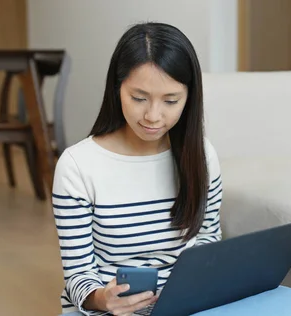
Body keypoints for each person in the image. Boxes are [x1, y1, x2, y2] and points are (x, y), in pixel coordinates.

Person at [51, 22, 223, 316]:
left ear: (189, 97)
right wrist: (104, 298)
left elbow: (208, 237)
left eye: (171, 101)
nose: (153, 116)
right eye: (139, 98)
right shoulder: (77, 166)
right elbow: (78, 276)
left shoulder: (200, 154)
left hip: (185, 306)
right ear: (117, 89)